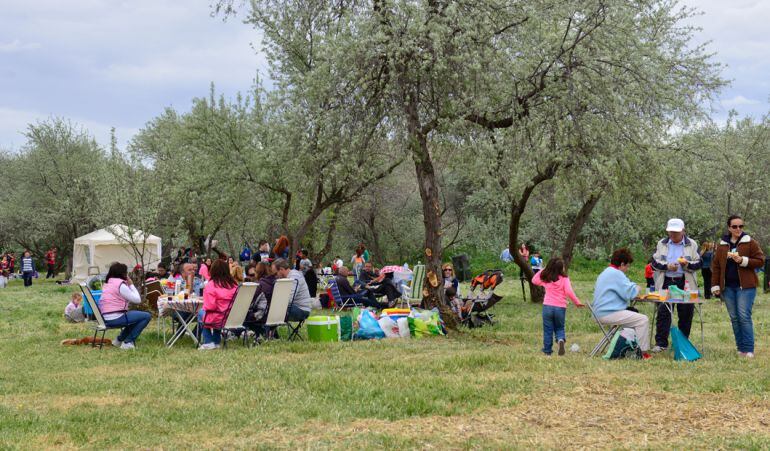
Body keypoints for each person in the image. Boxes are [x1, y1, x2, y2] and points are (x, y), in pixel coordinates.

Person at [711, 215, 764, 358]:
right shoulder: (722, 245)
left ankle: (749, 349)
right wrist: (715, 284)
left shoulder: (750, 242)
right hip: (727, 287)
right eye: (734, 226)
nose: (738, 229)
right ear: (729, 228)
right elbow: (716, 266)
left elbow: (760, 261)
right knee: (734, 318)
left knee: (744, 316)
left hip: (746, 287)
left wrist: (743, 260)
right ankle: (740, 348)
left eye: (741, 226)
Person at [650, 218, 701, 353]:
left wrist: (687, 265)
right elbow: (653, 263)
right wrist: (667, 266)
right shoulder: (662, 243)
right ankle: (661, 343)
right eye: (670, 232)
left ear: (683, 231)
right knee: (663, 312)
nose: (673, 235)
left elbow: (699, 264)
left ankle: (682, 343)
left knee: (686, 313)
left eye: (676, 232)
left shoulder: (692, 244)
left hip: (685, 282)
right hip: (665, 281)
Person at [592, 248, 651, 358]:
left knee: (634, 314)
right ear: (622, 264)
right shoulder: (616, 274)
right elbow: (630, 292)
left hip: (600, 311)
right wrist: (637, 287)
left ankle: (631, 347)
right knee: (642, 320)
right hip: (608, 313)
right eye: (627, 266)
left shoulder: (606, 272)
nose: (627, 269)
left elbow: (622, 290)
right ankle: (642, 353)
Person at [532, 257, 585, 356]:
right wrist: (577, 302)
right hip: (560, 307)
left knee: (548, 330)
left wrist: (544, 269)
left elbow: (534, 280)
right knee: (560, 327)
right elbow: (569, 291)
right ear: (561, 268)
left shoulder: (546, 278)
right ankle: (560, 340)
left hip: (547, 306)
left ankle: (547, 351)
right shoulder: (565, 279)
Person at [99, 262, 152, 350]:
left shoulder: (108, 284)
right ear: (123, 274)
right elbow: (137, 300)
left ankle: (119, 340)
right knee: (146, 316)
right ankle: (128, 342)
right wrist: (131, 284)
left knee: (135, 318)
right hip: (116, 318)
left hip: (105, 318)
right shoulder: (120, 285)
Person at [198, 260, 239, 350]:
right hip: (232, 318)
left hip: (218, 318)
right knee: (215, 314)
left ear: (213, 270)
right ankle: (216, 342)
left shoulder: (210, 285)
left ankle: (208, 342)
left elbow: (210, 307)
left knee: (201, 312)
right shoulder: (234, 285)